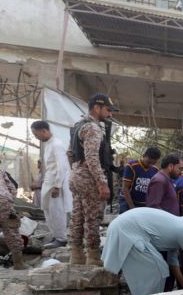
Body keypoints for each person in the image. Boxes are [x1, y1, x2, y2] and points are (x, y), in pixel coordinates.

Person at [101, 208, 183, 295]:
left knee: (159, 269)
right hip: (126, 229)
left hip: (122, 226)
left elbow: (173, 264)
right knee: (157, 271)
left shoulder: (178, 225)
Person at [69, 94, 116, 265]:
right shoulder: (93, 128)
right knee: (92, 218)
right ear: (97, 108)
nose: (110, 114)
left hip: (76, 176)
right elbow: (92, 158)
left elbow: (70, 154)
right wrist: (102, 183)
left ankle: (76, 256)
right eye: (108, 110)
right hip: (88, 178)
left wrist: (76, 172)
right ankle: (93, 258)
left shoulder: (77, 126)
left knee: (78, 217)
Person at [30, 120, 73, 249]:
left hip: (56, 184)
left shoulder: (57, 144)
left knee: (57, 211)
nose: (36, 137)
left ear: (44, 130)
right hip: (49, 182)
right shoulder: (48, 144)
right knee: (48, 211)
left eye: (36, 134)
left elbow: (62, 167)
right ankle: (56, 236)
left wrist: (57, 186)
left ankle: (61, 238)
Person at [119, 147, 161, 213]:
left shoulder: (155, 170)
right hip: (127, 201)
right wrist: (132, 207)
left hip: (143, 203)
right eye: (149, 162)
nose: (150, 165)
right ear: (144, 156)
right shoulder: (131, 166)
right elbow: (125, 188)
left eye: (153, 163)